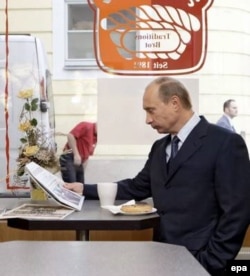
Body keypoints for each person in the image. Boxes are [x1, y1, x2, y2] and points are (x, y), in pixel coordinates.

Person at [64, 77, 250, 276]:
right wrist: (84, 189)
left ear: (175, 103)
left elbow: (237, 213)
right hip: (162, 257)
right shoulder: (160, 147)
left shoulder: (225, 143)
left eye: (150, 110)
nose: (147, 120)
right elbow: (137, 187)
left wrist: (211, 262)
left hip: (202, 261)